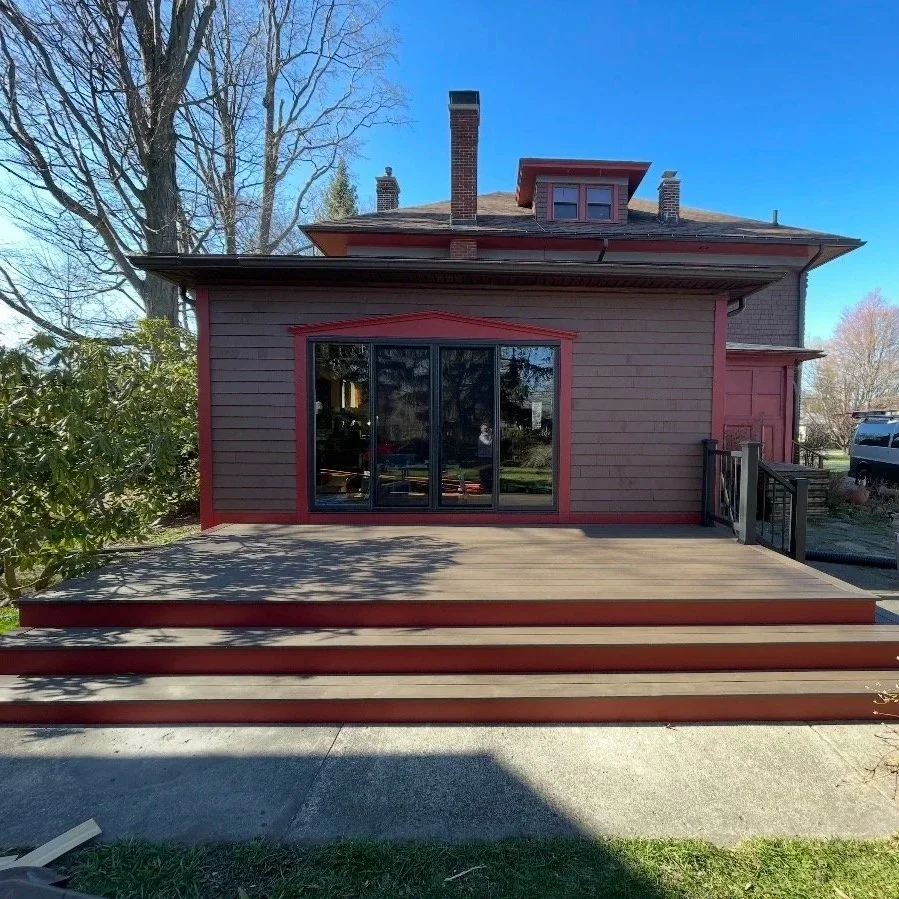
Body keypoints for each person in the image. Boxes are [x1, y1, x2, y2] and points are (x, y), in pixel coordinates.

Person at [477, 423, 493, 493]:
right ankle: (484, 488)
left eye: (486, 428)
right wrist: (491, 436)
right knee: (484, 473)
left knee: (489, 473)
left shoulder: (488, 436)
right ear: (481, 429)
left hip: (489, 457)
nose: (486, 429)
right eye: (484, 428)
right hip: (483, 458)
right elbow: (488, 443)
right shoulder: (481, 437)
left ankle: (488, 488)